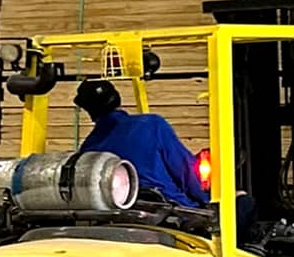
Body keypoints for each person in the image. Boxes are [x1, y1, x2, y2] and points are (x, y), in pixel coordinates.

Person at [74, 80, 207, 208]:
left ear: (89, 111)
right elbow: (184, 170)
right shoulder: (152, 124)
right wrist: (204, 200)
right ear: (117, 98)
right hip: (166, 206)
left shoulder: (88, 148)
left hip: (115, 213)